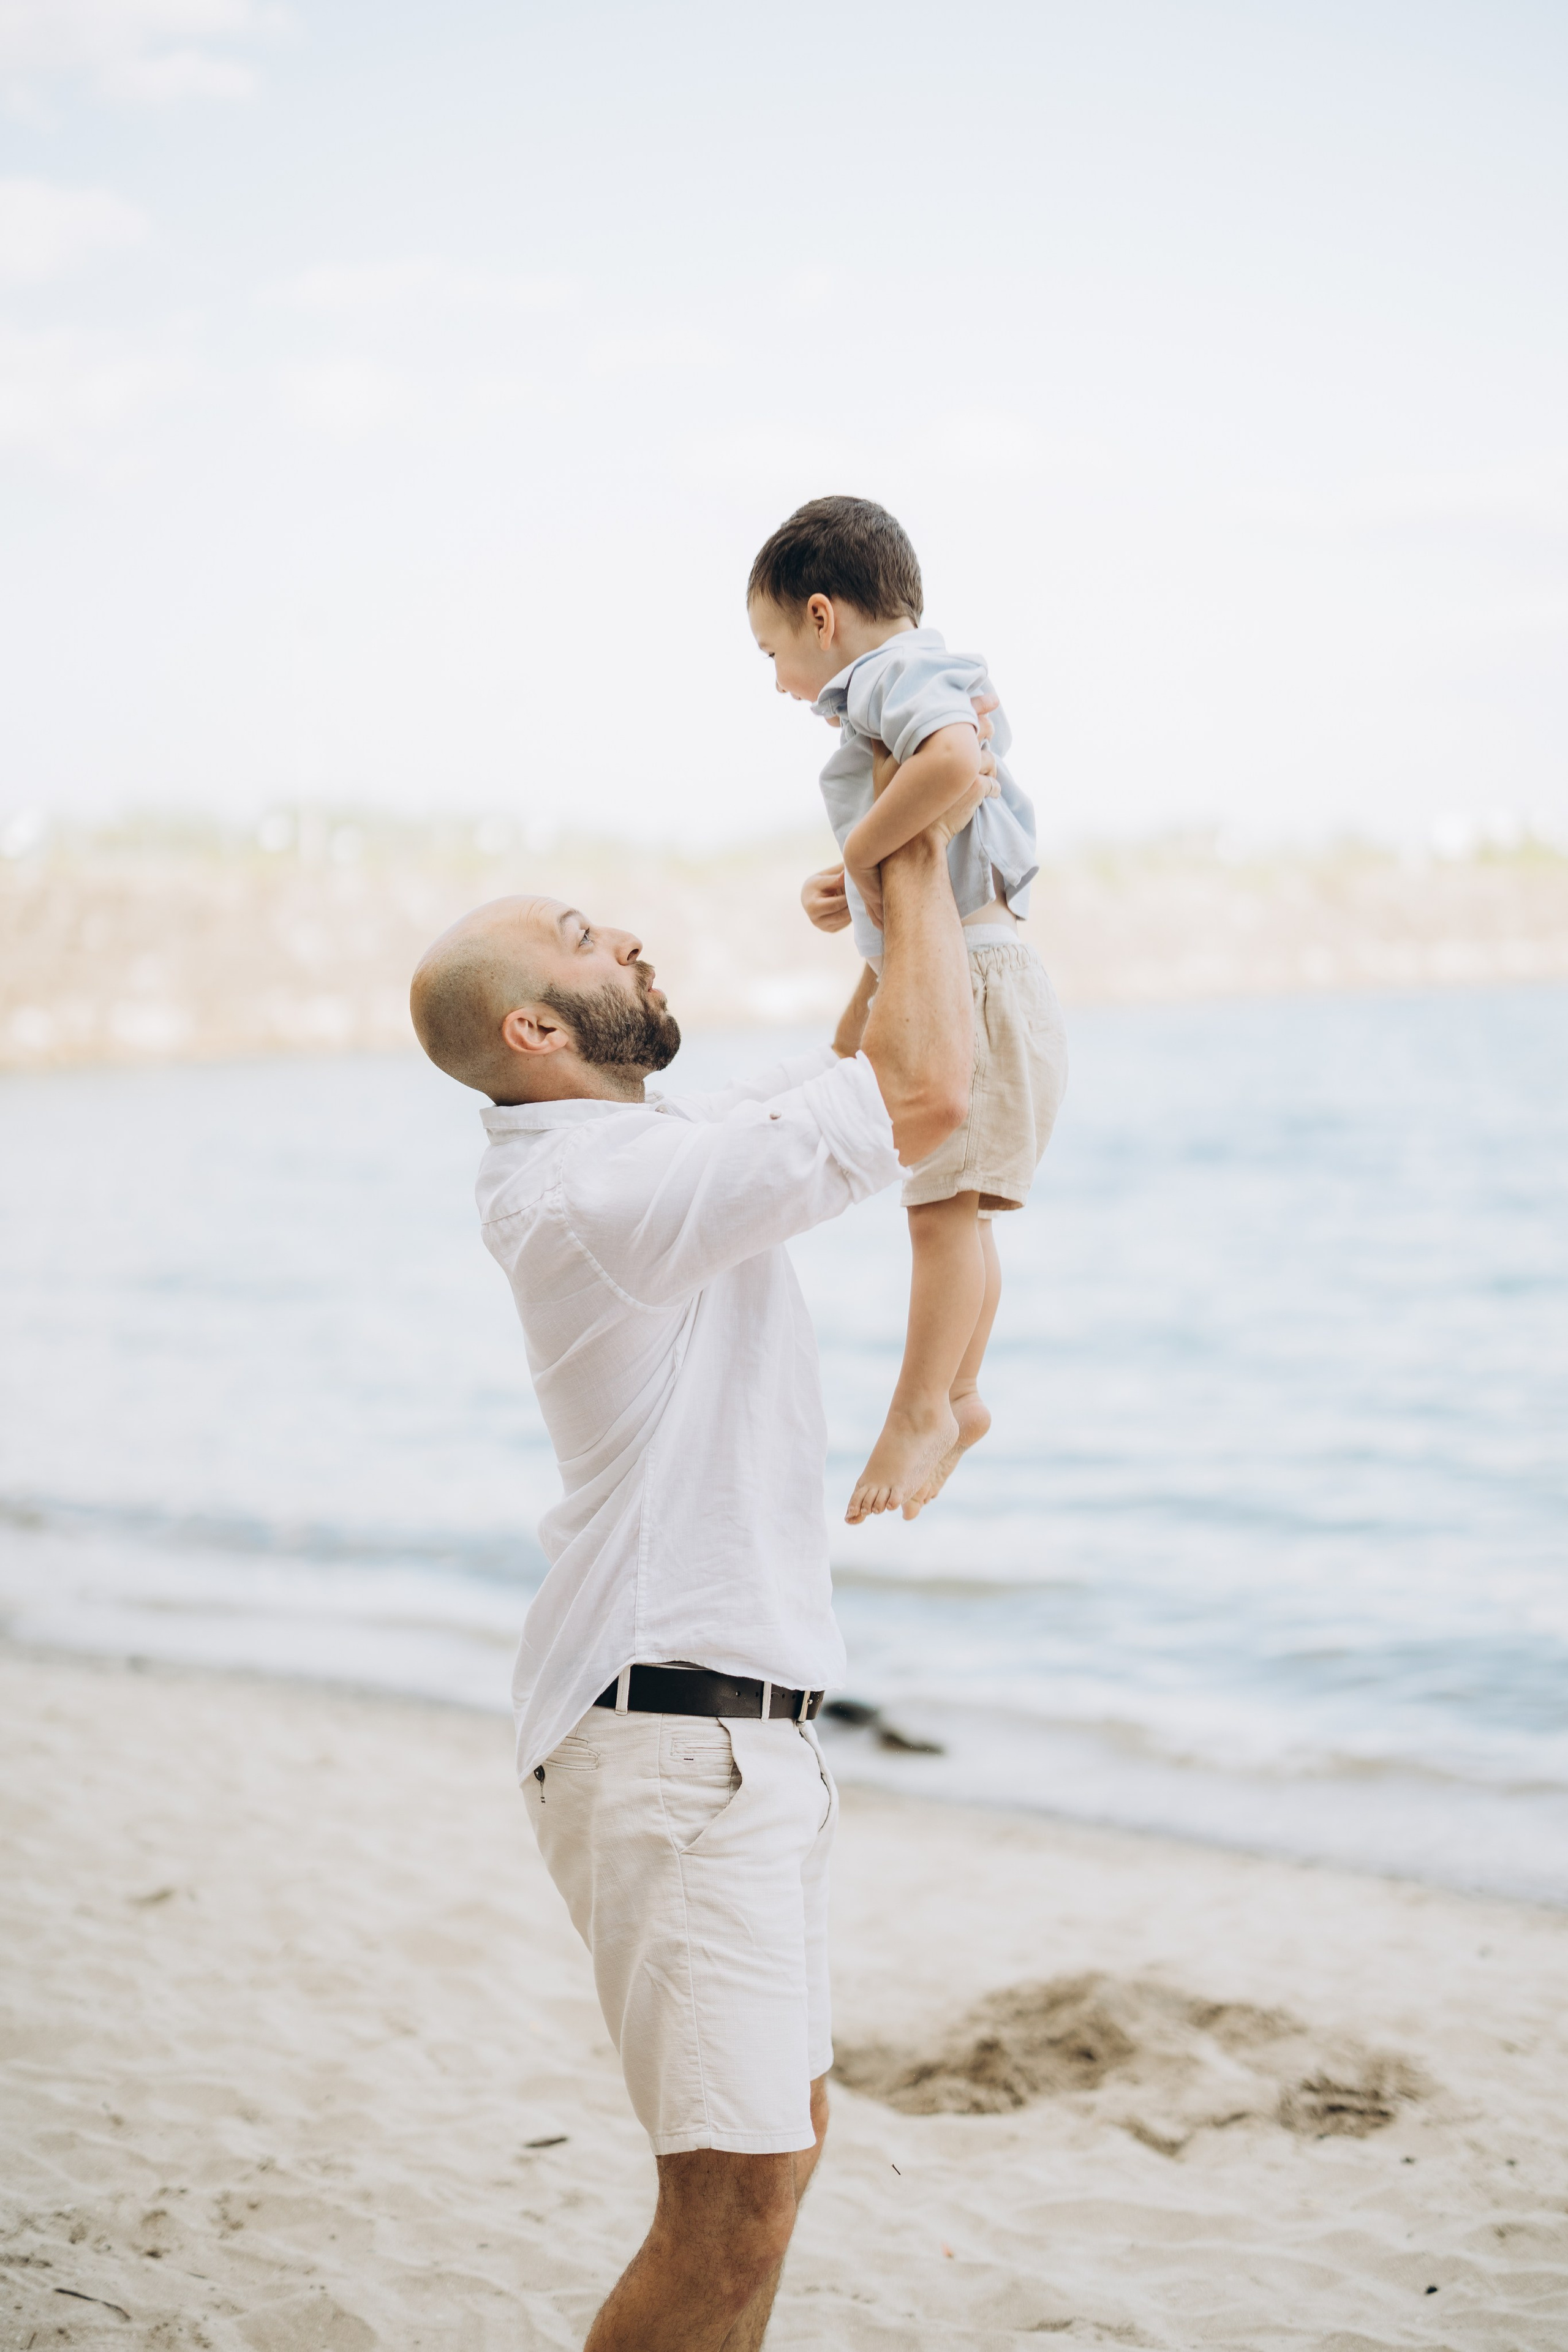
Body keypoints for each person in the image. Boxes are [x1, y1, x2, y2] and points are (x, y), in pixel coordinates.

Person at [408, 762, 991, 2352]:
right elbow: (928, 1105)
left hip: (730, 1738)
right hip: (676, 1745)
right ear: (533, 1030)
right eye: (586, 939)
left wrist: (888, 898)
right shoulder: (606, 1188)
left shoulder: (635, 1157)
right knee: (724, 2213)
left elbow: (863, 1082)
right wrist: (921, 836)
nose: (630, 943)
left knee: (773, 2174)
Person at [748, 495, 1069, 1524]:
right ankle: (960, 1395)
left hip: (973, 979)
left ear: (822, 615)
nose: (779, 681)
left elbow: (953, 765)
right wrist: (861, 880)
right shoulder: (905, 678)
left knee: (940, 1216)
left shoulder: (893, 675)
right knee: (958, 1214)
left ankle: (923, 1403)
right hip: (979, 969)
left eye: (772, 648)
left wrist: (858, 848)